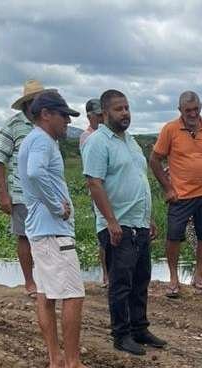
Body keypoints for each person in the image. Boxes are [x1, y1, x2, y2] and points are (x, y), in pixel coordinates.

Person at [18, 90, 106, 368]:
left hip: (38, 230)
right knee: (72, 294)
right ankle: (72, 364)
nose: (67, 122)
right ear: (46, 114)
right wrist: (58, 204)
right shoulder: (43, 141)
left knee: (45, 295)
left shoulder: (31, 140)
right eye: (63, 116)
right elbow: (34, 173)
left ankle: (56, 360)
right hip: (52, 230)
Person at [82, 89, 166, 356]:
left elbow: (137, 180)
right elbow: (94, 183)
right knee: (121, 282)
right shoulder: (98, 142)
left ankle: (139, 328)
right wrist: (110, 221)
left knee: (141, 278)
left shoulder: (130, 141)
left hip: (138, 223)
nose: (125, 113)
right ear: (105, 113)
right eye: (118, 109)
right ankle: (121, 334)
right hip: (118, 226)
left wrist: (148, 217)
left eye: (127, 108)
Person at [149, 91, 202, 296]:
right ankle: (173, 278)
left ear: (200, 107)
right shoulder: (170, 129)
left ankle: (199, 274)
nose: (192, 113)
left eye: (196, 109)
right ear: (180, 110)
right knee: (174, 235)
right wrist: (168, 188)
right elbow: (155, 160)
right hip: (180, 194)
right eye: (188, 110)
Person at [0, 80, 47, 297]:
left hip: (44, 195)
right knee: (25, 237)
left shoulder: (46, 123)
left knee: (44, 237)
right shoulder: (14, 125)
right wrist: (3, 193)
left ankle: (44, 279)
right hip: (21, 193)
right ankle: (29, 282)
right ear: (27, 103)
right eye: (35, 101)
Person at [79, 98, 108, 287]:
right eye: (98, 115)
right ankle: (107, 275)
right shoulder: (87, 137)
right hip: (99, 191)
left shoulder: (105, 135)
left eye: (102, 115)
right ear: (89, 116)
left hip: (111, 191)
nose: (101, 119)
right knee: (104, 233)